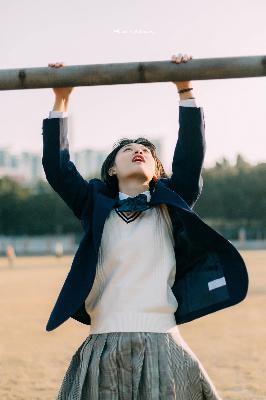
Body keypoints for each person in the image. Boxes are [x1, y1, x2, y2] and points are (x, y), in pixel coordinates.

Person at [42, 53, 248, 399]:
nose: (137, 151)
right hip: (103, 342)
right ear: (111, 170)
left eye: (145, 151)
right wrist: (61, 99)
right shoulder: (93, 202)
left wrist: (185, 89)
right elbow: (58, 167)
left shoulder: (171, 204)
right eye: (127, 150)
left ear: (157, 171)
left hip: (162, 338)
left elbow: (190, 156)